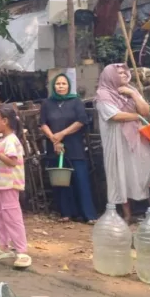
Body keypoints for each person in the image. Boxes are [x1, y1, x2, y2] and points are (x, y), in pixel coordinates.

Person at [95, 63, 150, 224]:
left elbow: (145, 111)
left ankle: (148, 211)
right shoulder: (103, 94)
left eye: (124, 72)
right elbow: (115, 116)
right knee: (120, 174)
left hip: (138, 139)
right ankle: (127, 214)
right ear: (109, 76)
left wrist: (133, 94)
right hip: (117, 141)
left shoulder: (131, 90)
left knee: (142, 172)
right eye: (119, 73)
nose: (123, 75)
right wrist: (138, 116)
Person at [40, 74, 98, 224]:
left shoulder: (76, 101)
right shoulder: (47, 103)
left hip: (74, 147)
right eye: (58, 84)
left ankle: (89, 215)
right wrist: (53, 138)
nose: (60, 86)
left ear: (68, 86)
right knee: (61, 182)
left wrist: (62, 134)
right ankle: (66, 213)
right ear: (53, 86)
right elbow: (43, 123)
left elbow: (81, 121)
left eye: (63, 84)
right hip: (55, 148)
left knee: (81, 180)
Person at [0, 105, 31, 269]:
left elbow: (12, 161)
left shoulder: (11, 141)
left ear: (5, 121)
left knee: (12, 217)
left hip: (9, 185)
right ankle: (4, 246)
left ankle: (21, 250)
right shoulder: (3, 141)